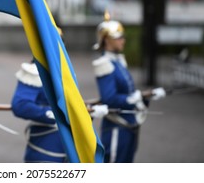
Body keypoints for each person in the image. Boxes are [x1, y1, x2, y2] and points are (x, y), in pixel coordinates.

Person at [92, 12, 166, 163]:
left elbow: (128, 92)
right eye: (118, 37)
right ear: (106, 40)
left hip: (129, 126)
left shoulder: (119, 61)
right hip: (116, 128)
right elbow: (109, 99)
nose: (123, 40)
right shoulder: (103, 64)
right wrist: (135, 97)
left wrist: (145, 96)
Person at [11, 60, 108, 163]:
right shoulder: (34, 70)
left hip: (70, 147)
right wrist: (52, 113)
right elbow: (20, 106)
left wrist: (87, 110)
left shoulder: (62, 66)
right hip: (46, 146)